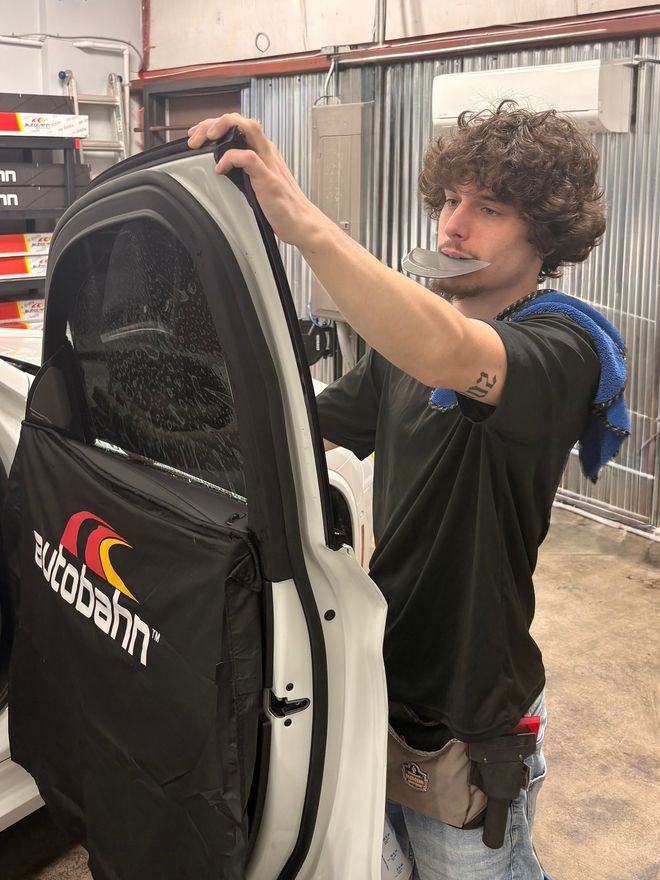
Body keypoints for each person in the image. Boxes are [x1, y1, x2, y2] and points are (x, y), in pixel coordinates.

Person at [188, 102, 628, 880]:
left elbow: (452, 352)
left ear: (545, 233)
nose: (454, 225)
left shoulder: (564, 350)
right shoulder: (401, 353)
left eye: (489, 209)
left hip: (469, 712)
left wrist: (305, 226)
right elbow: (301, 434)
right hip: (377, 679)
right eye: (450, 200)